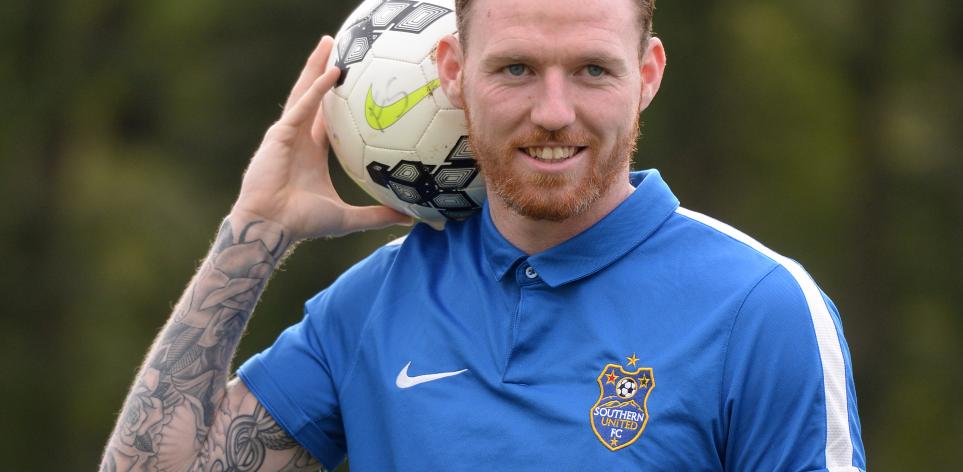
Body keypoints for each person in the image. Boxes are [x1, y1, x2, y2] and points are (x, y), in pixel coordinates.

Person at [101, 0, 867, 470]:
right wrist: (256, 231)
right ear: (452, 72)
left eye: (594, 71)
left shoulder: (761, 307)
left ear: (649, 73)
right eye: (517, 70)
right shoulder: (372, 308)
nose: (555, 111)